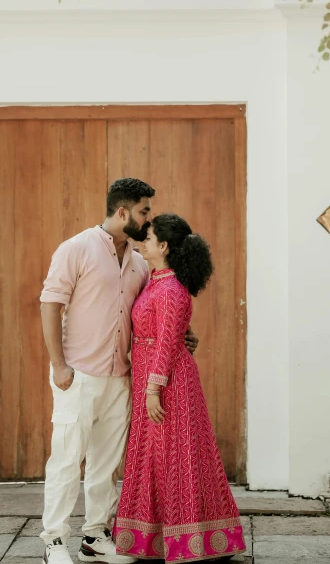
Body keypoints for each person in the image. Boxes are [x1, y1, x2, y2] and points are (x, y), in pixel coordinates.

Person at [39, 179, 199, 564]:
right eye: (144, 211)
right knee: (66, 457)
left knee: (106, 463)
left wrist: (184, 336)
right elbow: (50, 303)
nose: (148, 220)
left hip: (122, 376)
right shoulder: (76, 249)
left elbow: (156, 309)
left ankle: (95, 535)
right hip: (78, 373)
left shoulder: (140, 261)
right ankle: (54, 541)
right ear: (123, 211)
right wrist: (59, 364)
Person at [113, 214, 246, 563]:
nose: (142, 241)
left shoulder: (171, 289)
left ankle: (192, 541)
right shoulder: (156, 282)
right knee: (156, 458)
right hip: (151, 379)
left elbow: (168, 344)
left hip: (170, 385)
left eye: (149, 236)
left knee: (178, 458)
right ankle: (155, 540)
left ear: (164, 247)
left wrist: (153, 389)